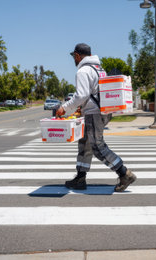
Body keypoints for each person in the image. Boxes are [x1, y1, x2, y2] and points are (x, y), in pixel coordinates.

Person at [56, 43, 136, 192]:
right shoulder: (99, 69)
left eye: (74, 56)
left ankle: (124, 173)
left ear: (78, 55)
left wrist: (64, 107)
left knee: (97, 147)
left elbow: (82, 95)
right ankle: (80, 177)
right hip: (102, 111)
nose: (74, 59)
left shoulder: (83, 71)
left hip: (94, 114)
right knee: (85, 142)